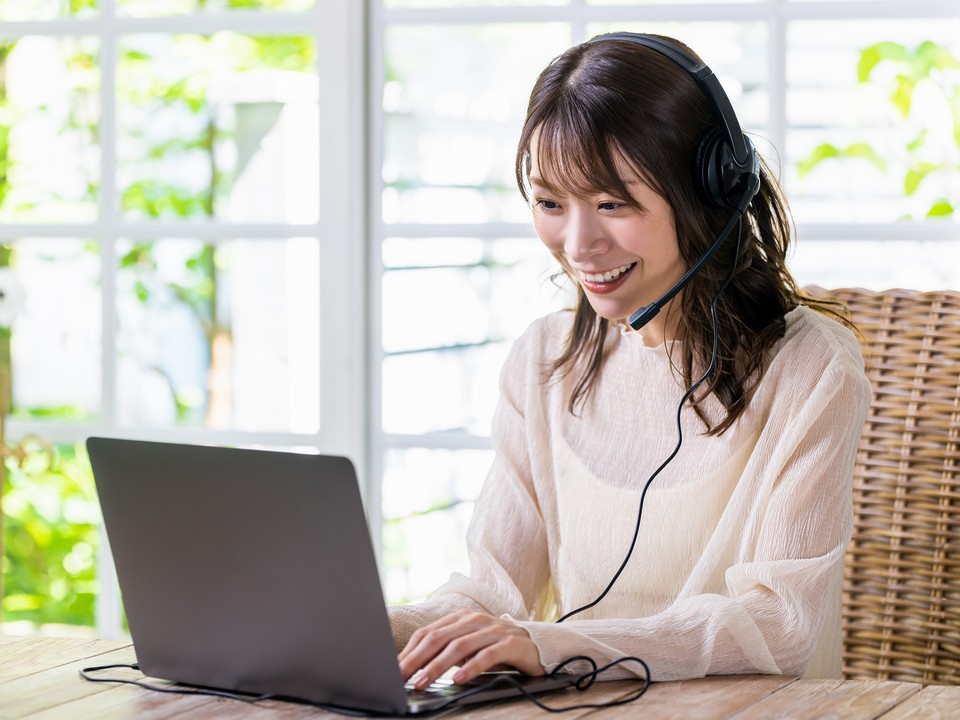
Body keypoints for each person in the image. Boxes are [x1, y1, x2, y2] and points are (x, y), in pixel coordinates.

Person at [388, 32, 872, 692]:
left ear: (709, 193)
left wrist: (551, 644)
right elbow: (494, 595)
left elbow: (781, 624)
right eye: (551, 203)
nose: (579, 244)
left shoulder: (810, 368)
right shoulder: (544, 359)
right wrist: (359, 626)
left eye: (613, 203)